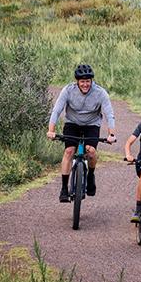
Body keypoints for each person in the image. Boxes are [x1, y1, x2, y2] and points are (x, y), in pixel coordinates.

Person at [47, 64, 116, 202]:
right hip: (72, 123)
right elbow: (57, 110)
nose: (85, 84)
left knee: (91, 152)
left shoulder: (100, 93)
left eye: (88, 81)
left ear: (92, 81)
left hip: (92, 124)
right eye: (82, 81)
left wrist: (112, 134)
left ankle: (91, 175)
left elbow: (109, 114)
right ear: (77, 81)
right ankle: (64, 188)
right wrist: (51, 130)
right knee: (69, 151)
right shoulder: (68, 90)